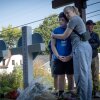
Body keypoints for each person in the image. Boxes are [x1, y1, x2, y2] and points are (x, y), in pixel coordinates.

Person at [51, 6, 92, 100]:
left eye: (67, 12)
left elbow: (64, 36)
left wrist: (53, 35)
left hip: (80, 48)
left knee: (80, 75)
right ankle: (87, 97)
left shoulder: (73, 19)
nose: (66, 14)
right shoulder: (78, 19)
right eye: (65, 13)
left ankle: (82, 97)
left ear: (73, 11)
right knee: (86, 75)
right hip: (85, 47)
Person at [51, 12, 74, 99]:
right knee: (60, 76)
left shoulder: (71, 30)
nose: (60, 22)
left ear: (67, 20)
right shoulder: (55, 31)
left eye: (62, 20)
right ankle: (61, 93)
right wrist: (58, 56)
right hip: (59, 58)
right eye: (59, 20)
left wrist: (70, 56)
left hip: (69, 57)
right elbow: (53, 45)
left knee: (70, 76)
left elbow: (74, 44)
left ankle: (71, 93)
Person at [86, 20, 100, 97]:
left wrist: (90, 46)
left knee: (95, 74)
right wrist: (92, 44)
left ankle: (96, 91)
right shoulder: (85, 35)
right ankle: (89, 90)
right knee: (88, 74)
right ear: (86, 26)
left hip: (94, 56)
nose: (91, 27)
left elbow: (98, 44)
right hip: (87, 57)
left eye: (92, 26)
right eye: (89, 25)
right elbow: (84, 44)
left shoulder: (96, 35)